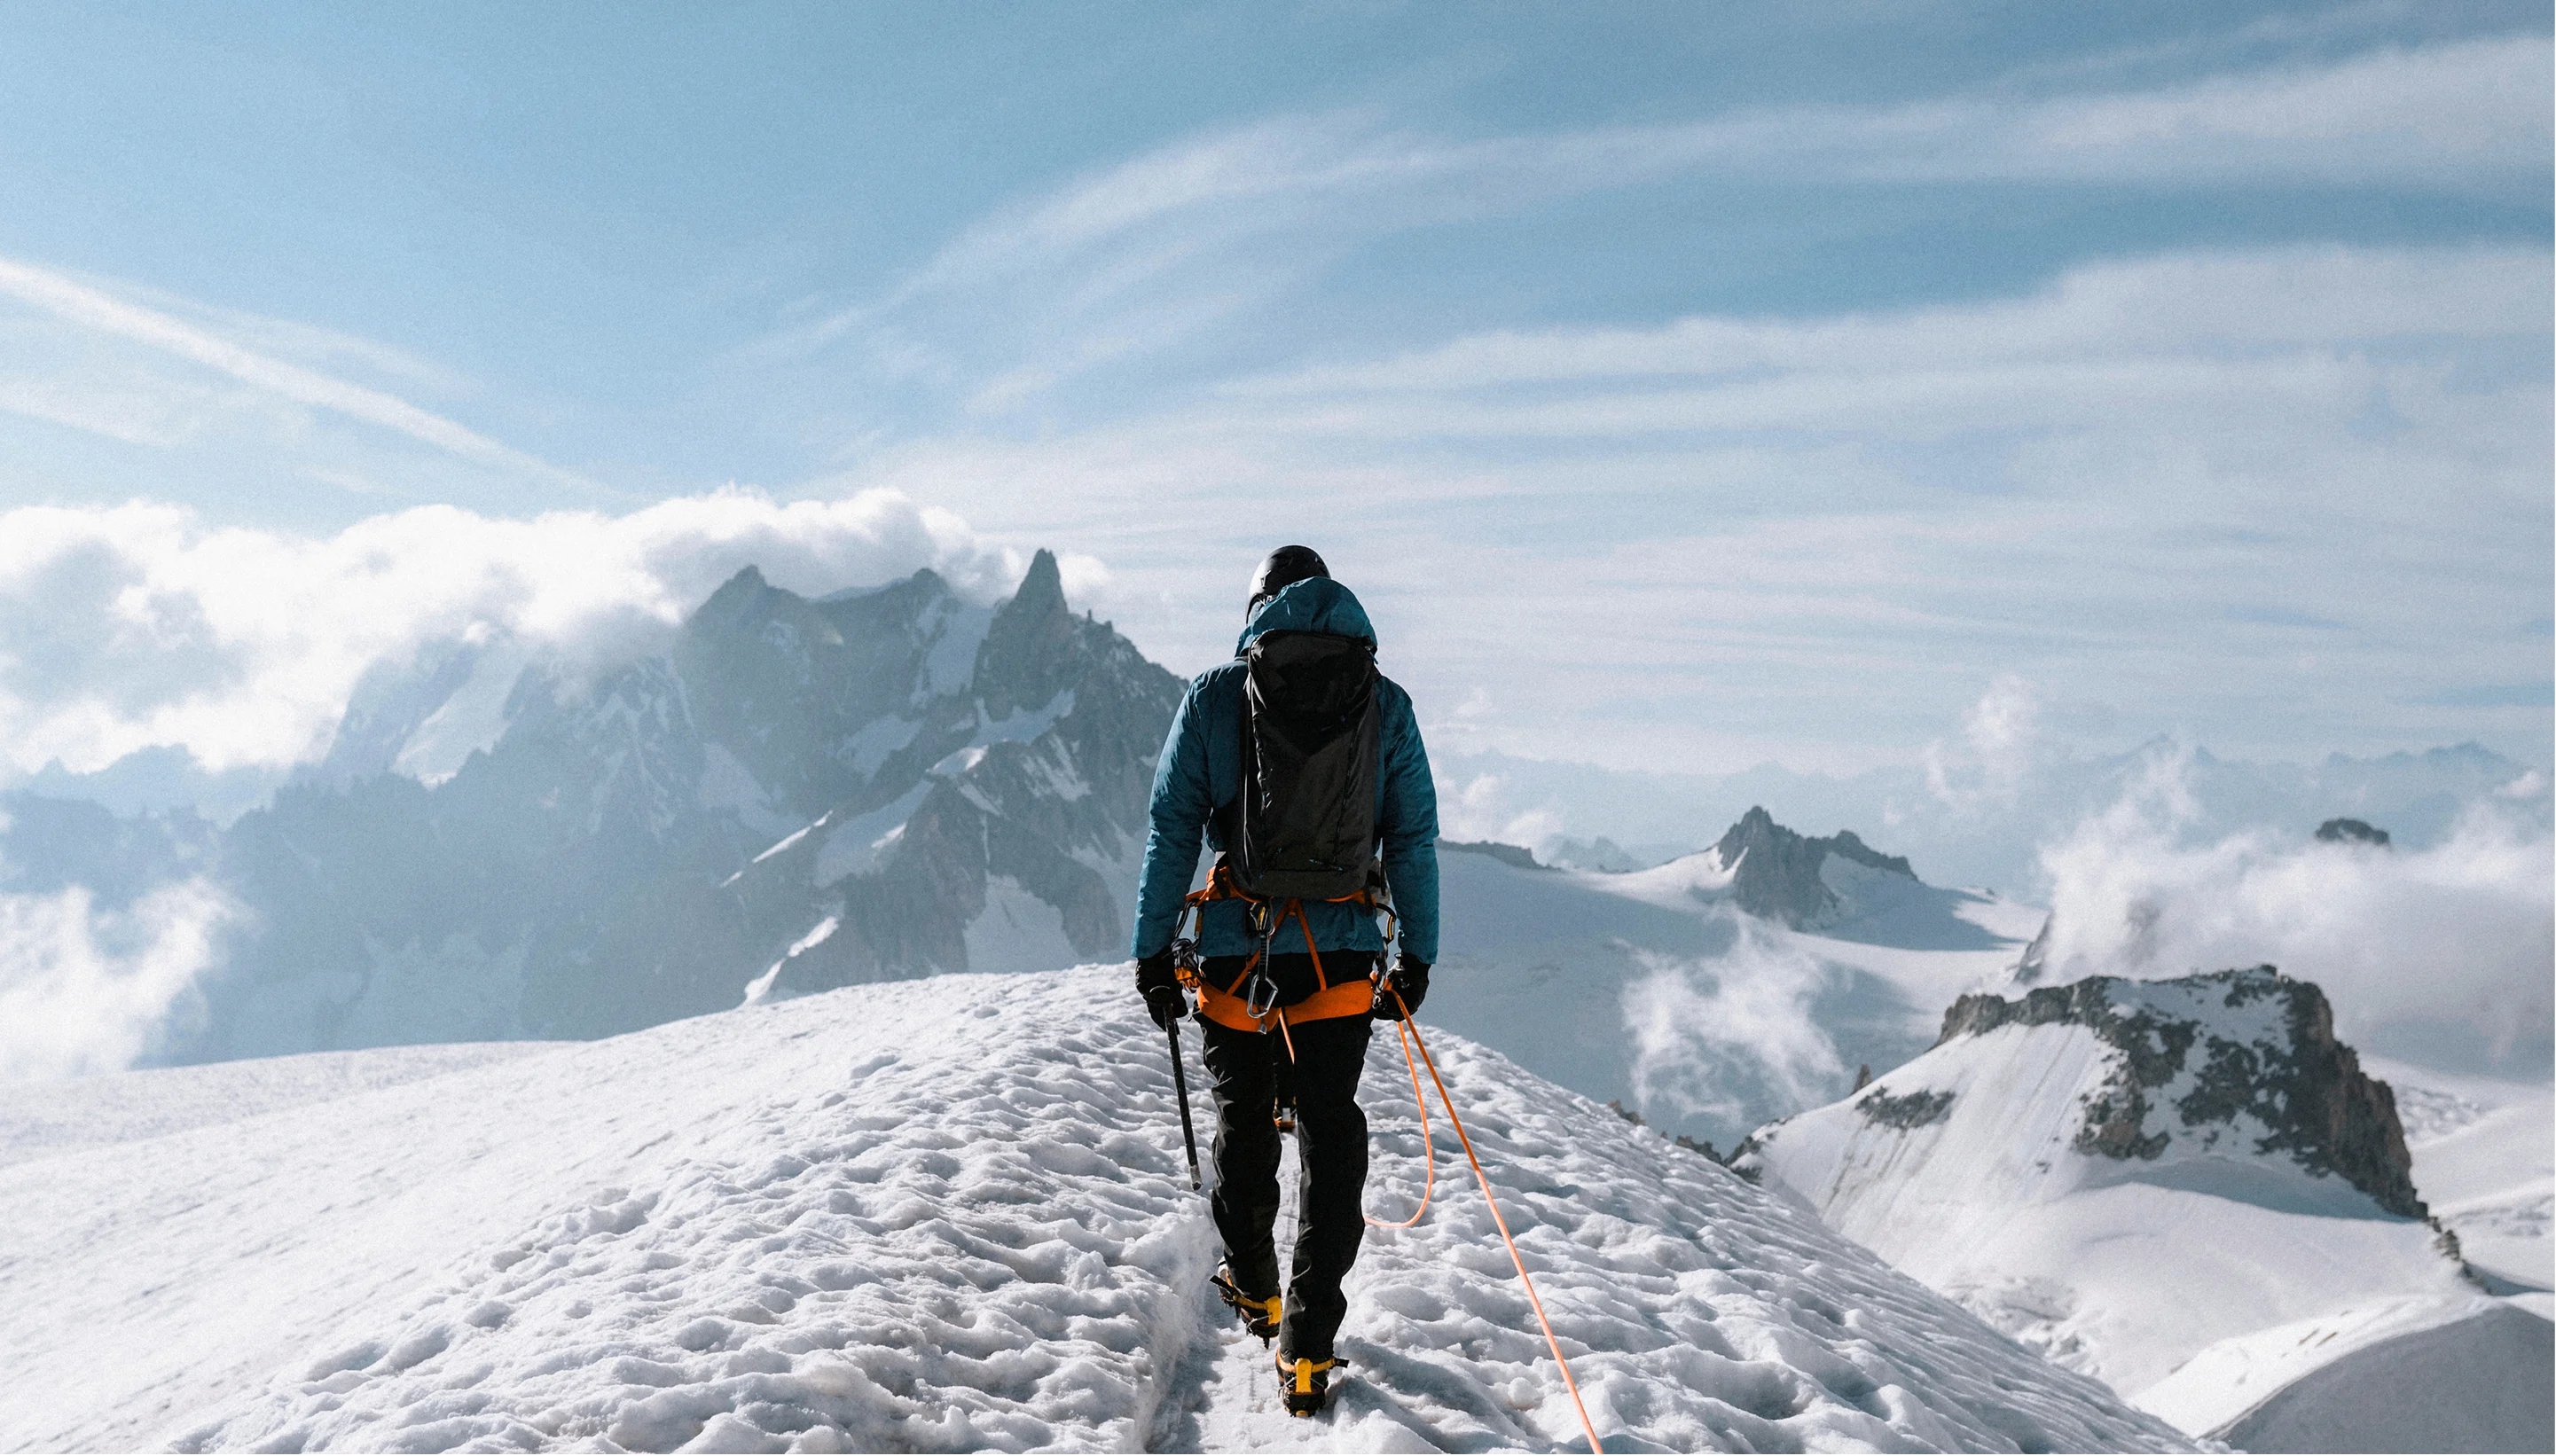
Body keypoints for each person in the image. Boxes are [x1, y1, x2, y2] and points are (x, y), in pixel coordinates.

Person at [1132, 544, 1439, 1416]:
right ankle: (1309, 1346)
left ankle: (1255, 1286)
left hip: (1236, 950)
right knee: (1330, 1130)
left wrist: (1152, 950)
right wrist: (1416, 955)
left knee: (1241, 1116)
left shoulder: (1217, 696)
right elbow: (1411, 838)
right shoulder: (1385, 703)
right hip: (1338, 956)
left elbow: (1171, 829)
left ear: (1257, 610)